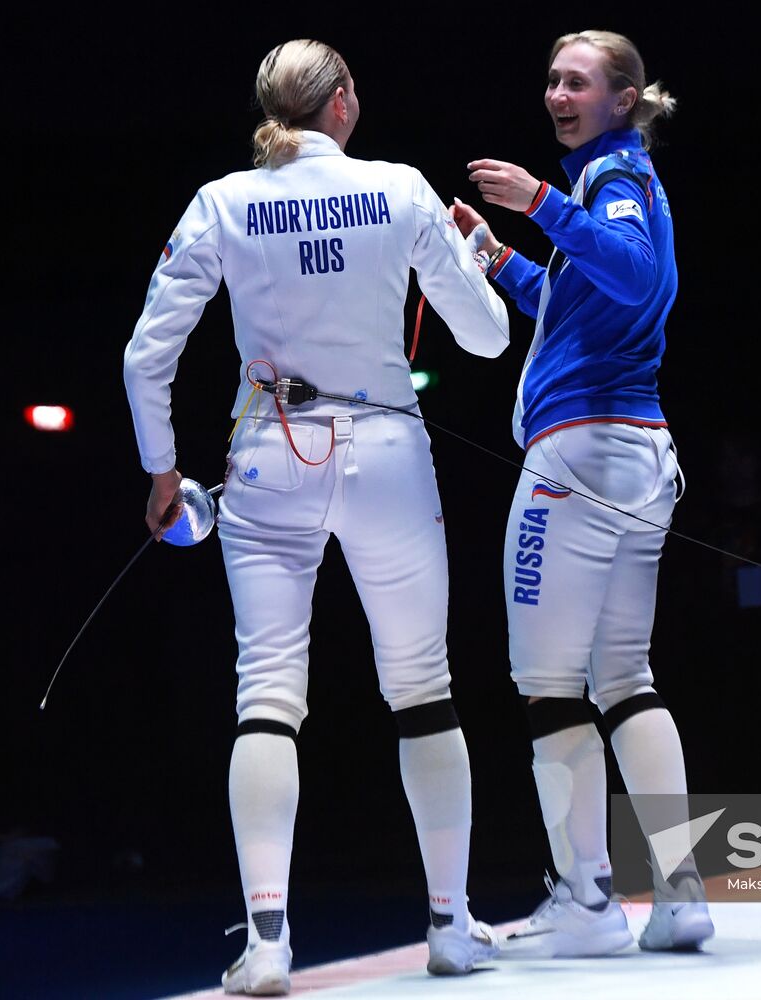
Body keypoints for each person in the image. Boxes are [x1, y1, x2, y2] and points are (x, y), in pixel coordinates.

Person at [123, 39, 509, 994]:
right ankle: (450, 928)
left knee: (267, 693)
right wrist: (470, 254)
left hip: (266, 459)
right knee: (423, 688)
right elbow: (490, 338)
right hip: (385, 453)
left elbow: (144, 358)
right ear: (341, 102)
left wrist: (161, 473)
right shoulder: (401, 187)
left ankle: (265, 946)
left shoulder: (224, 199)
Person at [450, 29, 714, 955]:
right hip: (636, 455)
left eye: (577, 82)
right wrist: (494, 254)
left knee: (549, 686)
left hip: (581, 460)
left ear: (623, 97)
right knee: (625, 678)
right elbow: (586, 300)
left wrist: (539, 203)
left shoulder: (612, 181)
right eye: (551, 81)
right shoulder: (617, 185)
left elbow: (636, 272)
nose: (557, 95)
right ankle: (678, 897)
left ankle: (588, 902)